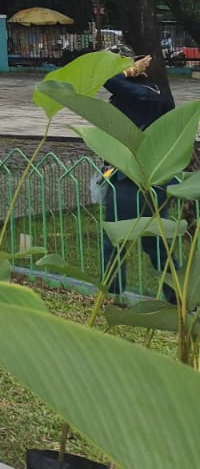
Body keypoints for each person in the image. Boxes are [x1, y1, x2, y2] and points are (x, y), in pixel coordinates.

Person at [99, 54, 175, 297]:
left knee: (115, 242)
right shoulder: (155, 90)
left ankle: (112, 295)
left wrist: (129, 70)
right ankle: (180, 298)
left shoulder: (142, 92)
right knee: (157, 245)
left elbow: (107, 79)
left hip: (131, 178)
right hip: (155, 176)